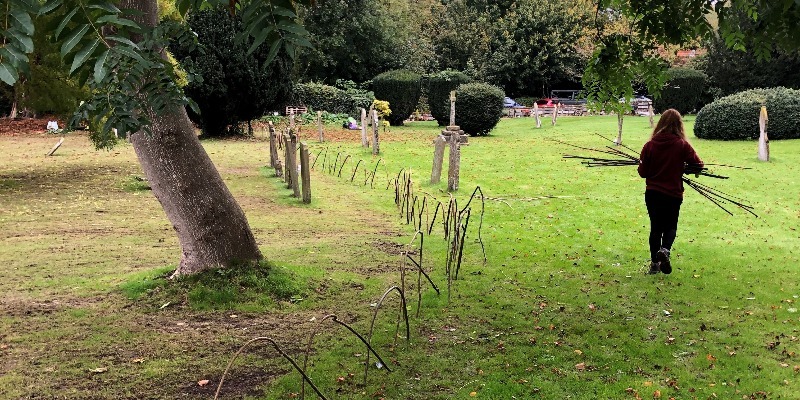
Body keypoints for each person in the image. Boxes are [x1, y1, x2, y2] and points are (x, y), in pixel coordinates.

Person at [637, 109, 703, 275]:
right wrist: (685, 169)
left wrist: (643, 164)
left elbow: (643, 173)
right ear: (679, 125)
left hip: (652, 193)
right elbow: (698, 165)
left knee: (655, 228)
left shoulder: (650, 146)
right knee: (670, 226)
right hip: (673, 194)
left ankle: (654, 264)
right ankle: (665, 250)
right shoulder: (682, 145)